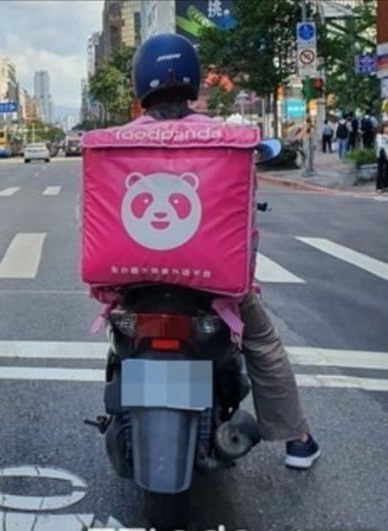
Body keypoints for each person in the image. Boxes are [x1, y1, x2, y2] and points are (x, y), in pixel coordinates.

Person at [130, 33, 321, 470]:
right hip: (211, 280)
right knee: (262, 343)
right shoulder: (226, 137)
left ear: (141, 82)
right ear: (194, 81)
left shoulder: (116, 139)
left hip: (133, 277)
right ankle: (297, 439)